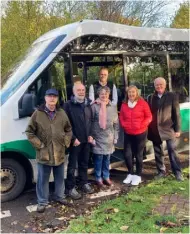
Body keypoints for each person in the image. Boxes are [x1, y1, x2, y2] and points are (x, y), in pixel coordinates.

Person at [26, 88, 72, 213]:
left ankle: (60, 196)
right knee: (42, 179)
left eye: (54, 97)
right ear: (45, 98)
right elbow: (29, 132)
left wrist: (66, 142)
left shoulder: (62, 113)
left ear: (57, 99)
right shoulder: (38, 114)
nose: (52, 99)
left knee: (60, 177)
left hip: (59, 152)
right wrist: (39, 145)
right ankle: (42, 202)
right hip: (44, 154)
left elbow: (68, 129)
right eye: (49, 96)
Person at [147, 77, 183, 181]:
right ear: (154, 86)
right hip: (155, 129)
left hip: (169, 128)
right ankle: (161, 171)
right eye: (157, 85)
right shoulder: (150, 97)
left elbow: (177, 114)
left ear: (165, 85)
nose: (159, 87)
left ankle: (177, 173)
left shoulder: (172, 96)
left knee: (172, 151)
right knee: (158, 152)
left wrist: (177, 130)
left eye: (161, 85)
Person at [64, 83, 94, 200]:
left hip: (86, 140)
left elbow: (90, 122)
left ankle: (83, 183)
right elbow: (65, 125)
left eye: (83, 90)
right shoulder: (68, 105)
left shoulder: (88, 105)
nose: (81, 92)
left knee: (84, 163)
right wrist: (73, 138)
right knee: (72, 166)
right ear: (74, 92)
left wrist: (91, 135)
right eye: (79, 90)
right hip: (75, 141)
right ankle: (70, 188)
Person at [119, 85, 152, 186]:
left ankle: (138, 175)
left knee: (138, 154)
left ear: (137, 93)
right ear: (127, 94)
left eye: (133, 92)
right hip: (128, 133)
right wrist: (124, 125)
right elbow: (121, 116)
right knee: (127, 154)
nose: (131, 94)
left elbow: (149, 116)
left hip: (140, 133)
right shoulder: (124, 104)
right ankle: (130, 173)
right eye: (129, 92)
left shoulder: (143, 103)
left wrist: (142, 125)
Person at [91, 86, 119, 187]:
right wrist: (91, 137)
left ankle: (106, 177)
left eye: (106, 94)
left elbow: (116, 123)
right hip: (97, 137)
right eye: (102, 94)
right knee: (98, 158)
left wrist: (116, 136)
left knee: (107, 158)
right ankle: (98, 178)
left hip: (109, 138)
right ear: (99, 95)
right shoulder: (94, 106)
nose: (104, 95)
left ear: (109, 95)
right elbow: (90, 122)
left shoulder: (112, 106)